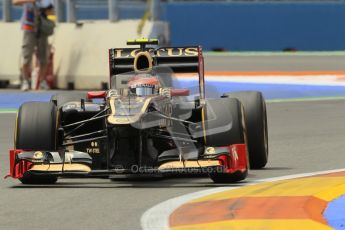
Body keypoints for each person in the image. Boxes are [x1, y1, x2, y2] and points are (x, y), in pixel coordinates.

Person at [13, 0, 54, 91]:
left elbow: (51, 10)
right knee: (26, 56)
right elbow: (15, 2)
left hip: (42, 29)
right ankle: (25, 81)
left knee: (44, 58)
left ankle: (42, 81)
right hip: (29, 28)